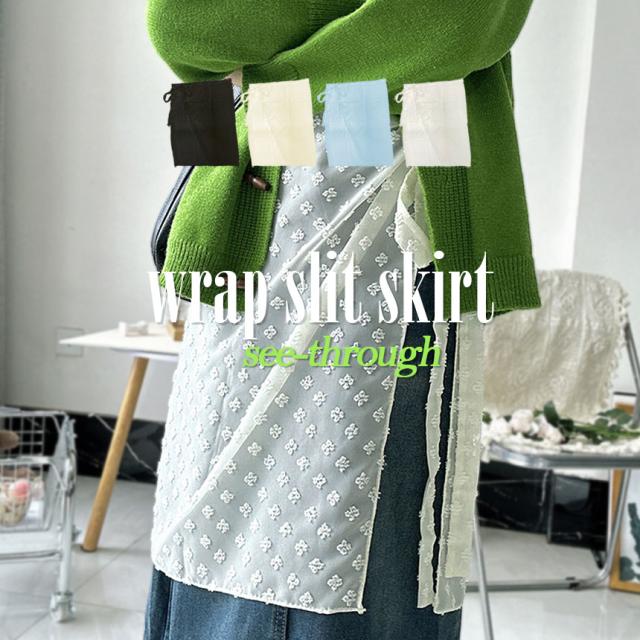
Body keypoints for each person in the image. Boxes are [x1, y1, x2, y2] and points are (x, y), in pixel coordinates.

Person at [144, 2, 539, 639]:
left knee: (349, 541)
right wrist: (336, 54)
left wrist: (270, 69)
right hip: (257, 218)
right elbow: (183, 25)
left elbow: (456, 23)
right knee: (213, 516)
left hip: (393, 224)